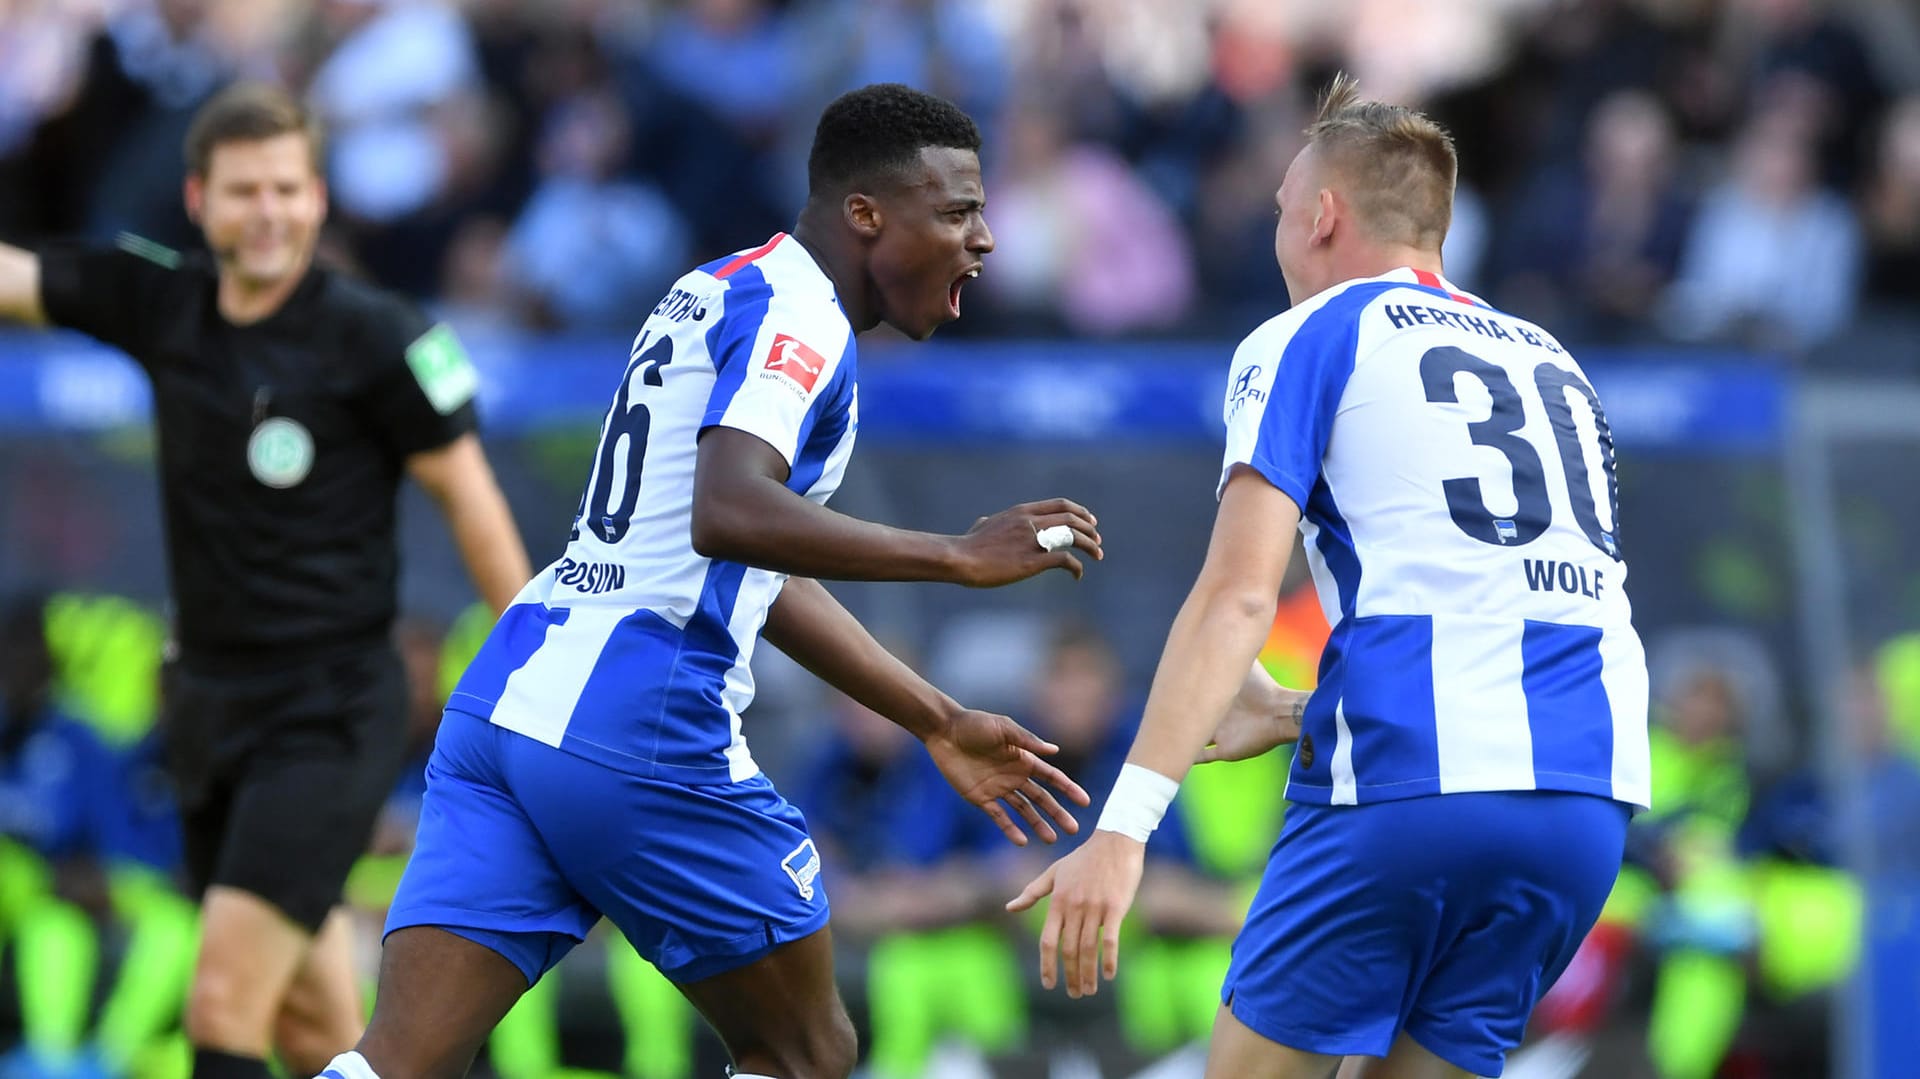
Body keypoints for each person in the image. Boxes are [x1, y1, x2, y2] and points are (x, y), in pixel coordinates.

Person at [313, 83, 1100, 1079]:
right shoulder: (801, 322)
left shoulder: (723, 283)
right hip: (635, 717)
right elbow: (729, 510)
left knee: (397, 1060)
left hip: (511, 702)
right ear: (867, 214)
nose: (983, 239)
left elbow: (748, 559)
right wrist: (952, 553)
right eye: (956, 211)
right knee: (808, 1046)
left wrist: (935, 717)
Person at [1011, 74, 1650, 1079]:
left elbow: (1239, 595)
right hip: (1586, 796)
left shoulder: (1312, 333)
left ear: (1322, 215)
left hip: (1406, 792)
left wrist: (1122, 829)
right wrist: (1310, 710)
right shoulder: (1553, 359)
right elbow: (1515, 593)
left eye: (1278, 211)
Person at [0, 83, 533, 1079]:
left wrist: (540, 663)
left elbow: (474, 500)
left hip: (326, 709)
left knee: (222, 1004)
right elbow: (20, 278)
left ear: (320, 198)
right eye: (244, 190)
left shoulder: (377, 335)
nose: (269, 211)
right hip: (209, 709)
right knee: (313, 1028)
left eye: (288, 188)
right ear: (200, 201)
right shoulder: (163, 303)